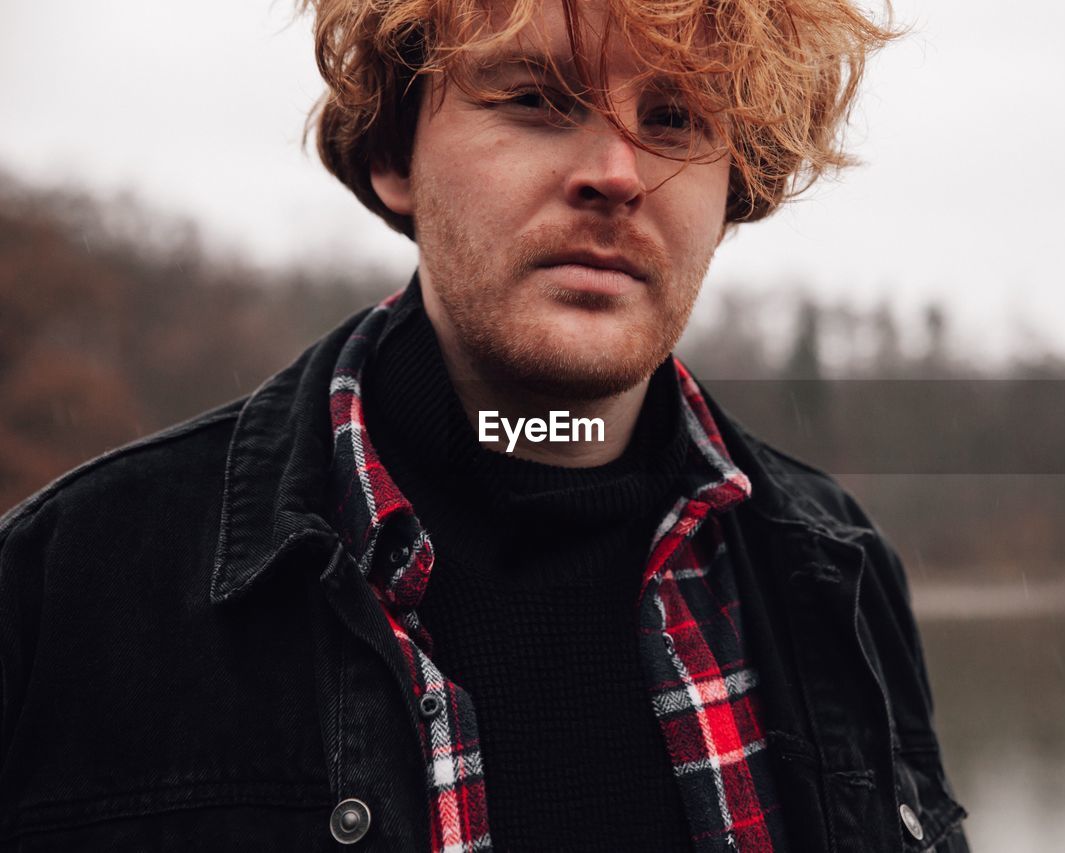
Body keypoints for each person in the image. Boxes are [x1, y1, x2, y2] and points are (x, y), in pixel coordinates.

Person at [0, 0, 969, 849]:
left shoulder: (832, 568)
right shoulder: (69, 581)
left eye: (673, 117)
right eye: (537, 99)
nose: (615, 172)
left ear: (731, 191)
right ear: (392, 151)